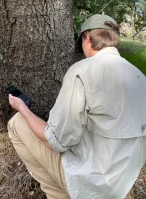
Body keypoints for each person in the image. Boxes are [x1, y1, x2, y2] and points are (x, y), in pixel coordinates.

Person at [8, 14, 146, 199]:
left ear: (87, 38)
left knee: (16, 123)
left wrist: (22, 108)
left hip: (90, 185)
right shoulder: (140, 77)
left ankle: (58, 193)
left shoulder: (82, 71)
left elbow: (55, 142)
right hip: (120, 185)